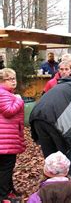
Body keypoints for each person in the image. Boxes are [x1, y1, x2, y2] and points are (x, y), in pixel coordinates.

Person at [29, 75, 71, 184]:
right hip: (56, 121)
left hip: (36, 118)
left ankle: (51, 191)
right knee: (69, 158)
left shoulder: (61, 87)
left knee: (51, 159)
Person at [0, 69, 25, 201]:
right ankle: (4, 196)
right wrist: (19, 100)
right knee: (5, 168)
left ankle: (9, 191)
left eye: (14, 78)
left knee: (6, 167)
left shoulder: (7, 93)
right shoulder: (3, 94)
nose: (14, 81)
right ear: (2, 81)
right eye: (10, 79)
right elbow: (8, 111)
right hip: (5, 139)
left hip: (6, 137)